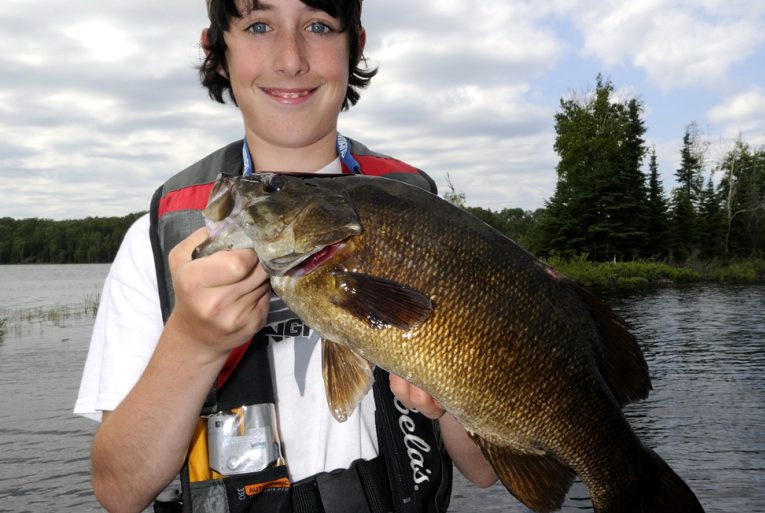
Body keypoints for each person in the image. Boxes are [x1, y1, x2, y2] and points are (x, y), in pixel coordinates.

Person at [74, 1, 497, 512]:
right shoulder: (158, 240)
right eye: (259, 26)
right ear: (218, 51)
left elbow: (485, 471)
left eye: (319, 26)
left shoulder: (423, 221)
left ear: (355, 45)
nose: (291, 59)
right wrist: (191, 342)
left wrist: (450, 392)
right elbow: (120, 491)